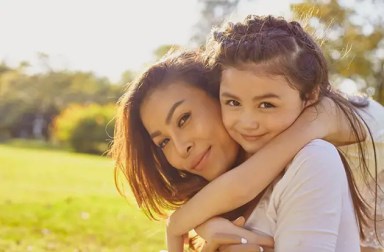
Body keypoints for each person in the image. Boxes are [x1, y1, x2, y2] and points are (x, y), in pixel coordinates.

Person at [164, 15, 384, 252]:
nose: (248, 123)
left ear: (310, 96)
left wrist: (177, 223)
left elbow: (243, 184)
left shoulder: (320, 116)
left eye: (266, 105)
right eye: (233, 102)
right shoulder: (275, 126)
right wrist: (206, 225)